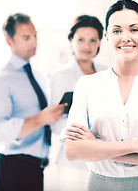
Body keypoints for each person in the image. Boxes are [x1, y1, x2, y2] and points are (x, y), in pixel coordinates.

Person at [61, 0, 138, 191]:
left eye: (134, 29)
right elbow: (73, 150)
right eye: (117, 31)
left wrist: (96, 146)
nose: (125, 38)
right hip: (99, 185)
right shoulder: (87, 85)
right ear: (107, 36)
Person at [0, 13, 66, 191]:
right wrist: (41, 119)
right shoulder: (1, 80)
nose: (34, 42)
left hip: (36, 170)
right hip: (12, 170)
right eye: (26, 38)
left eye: (35, 35)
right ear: (9, 42)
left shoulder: (38, 76)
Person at [49, 15, 108, 190]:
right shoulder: (59, 76)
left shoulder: (108, 74)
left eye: (93, 40)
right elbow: (56, 125)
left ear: (99, 43)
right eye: (81, 39)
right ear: (71, 41)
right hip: (74, 164)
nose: (87, 46)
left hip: (104, 160)